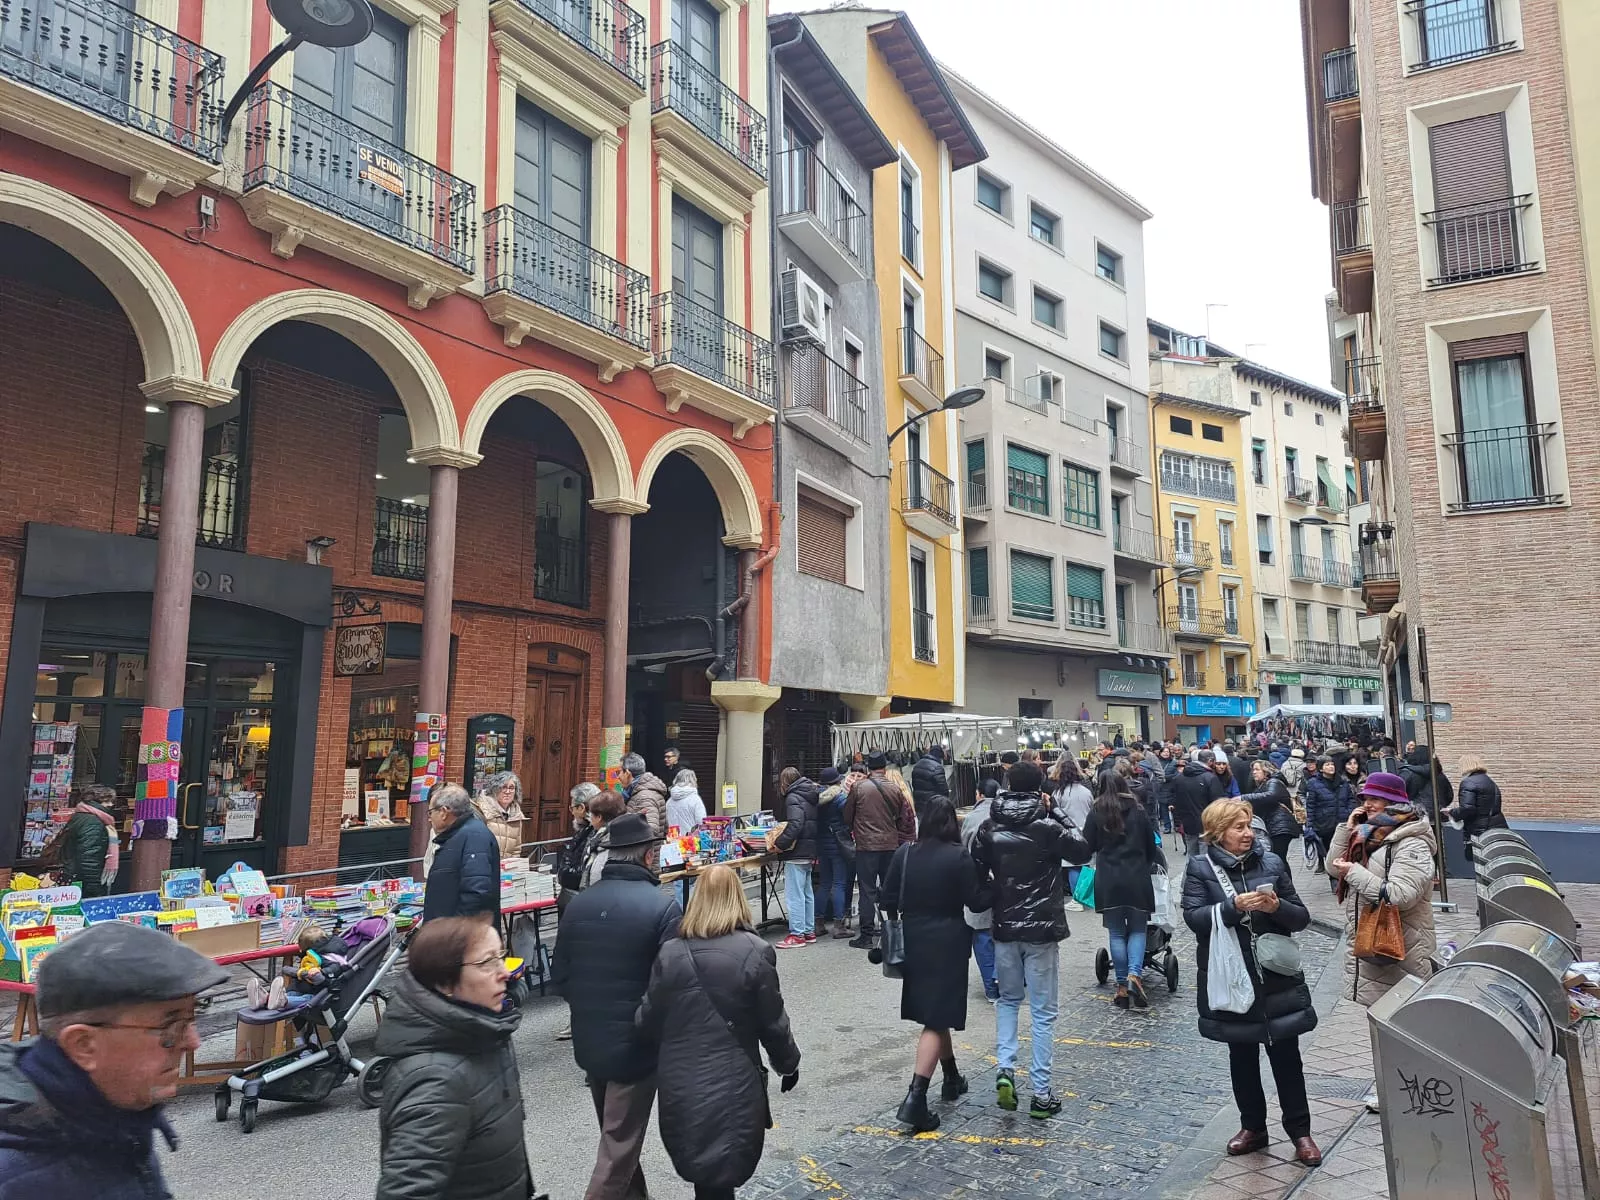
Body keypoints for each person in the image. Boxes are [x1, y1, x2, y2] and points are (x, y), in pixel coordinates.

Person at [0, 921, 227, 1198]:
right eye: (170, 1025)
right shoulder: (17, 1178)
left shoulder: (111, 1112)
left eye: (194, 1015)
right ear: (83, 1045)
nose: (193, 1042)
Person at [636, 865, 799, 1200]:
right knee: (720, 1172)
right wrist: (788, 1062)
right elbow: (773, 1021)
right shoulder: (754, 950)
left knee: (707, 1176)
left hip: (682, 1080)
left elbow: (647, 1020)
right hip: (731, 1080)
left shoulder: (670, 953)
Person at [1181, 799, 1321, 1167]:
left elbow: (1301, 917)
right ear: (1218, 833)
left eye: (1249, 826)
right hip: (1231, 975)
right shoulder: (1200, 867)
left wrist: (1276, 908)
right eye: (1239, 827)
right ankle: (1253, 1128)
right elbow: (1194, 918)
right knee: (1241, 1056)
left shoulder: (1271, 862)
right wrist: (1232, 907)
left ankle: (1300, 1131)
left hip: (1275, 976)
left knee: (1287, 1057)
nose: (1248, 833)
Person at [553, 812, 682, 1200]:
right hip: (636, 1043)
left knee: (617, 1139)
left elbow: (560, 976)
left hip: (591, 1037)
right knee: (618, 1146)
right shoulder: (662, 908)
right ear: (646, 857)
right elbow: (671, 983)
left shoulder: (579, 904)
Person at [374, 915, 533, 1200]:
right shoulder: (436, 1081)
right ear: (444, 982)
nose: (504, 972)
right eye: (486, 963)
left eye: (501, 956)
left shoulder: (484, 1033)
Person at [973, 761, 1092, 1120]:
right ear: (1042, 787)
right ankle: (1041, 1092)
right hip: (1041, 928)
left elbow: (976, 867)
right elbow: (1083, 851)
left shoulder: (989, 824)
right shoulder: (1047, 826)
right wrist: (1058, 813)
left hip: (1006, 925)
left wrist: (997, 893)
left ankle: (1005, 1068)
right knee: (1042, 1012)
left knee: (1008, 1001)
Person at [880, 797, 990, 1132]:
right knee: (935, 1018)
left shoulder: (906, 853)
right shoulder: (959, 857)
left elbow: (886, 899)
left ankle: (952, 1077)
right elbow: (977, 900)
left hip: (913, 941)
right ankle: (915, 1097)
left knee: (934, 1014)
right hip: (948, 941)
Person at [1327, 772, 1439, 1008]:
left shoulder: (1412, 842)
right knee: (1381, 1024)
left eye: (1375, 798)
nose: (1367, 804)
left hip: (1401, 953)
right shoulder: (1368, 833)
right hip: (1372, 948)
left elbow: (1401, 895)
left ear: (1393, 803)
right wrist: (1347, 831)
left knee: (1404, 1022)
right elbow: (1334, 868)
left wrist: (1354, 873)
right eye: (1365, 798)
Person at [1081, 770, 1162, 1010]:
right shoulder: (1137, 810)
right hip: (1137, 877)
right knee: (1138, 929)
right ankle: (1135, 975)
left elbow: (1088, 845)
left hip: (1108, 879)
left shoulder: (1097, 812)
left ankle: (1121, 985)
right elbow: (1151, 845)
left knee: (1116, 933)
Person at [842, 752, 915, 950]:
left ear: (868, 767)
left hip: (866, 846)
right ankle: (889, 929)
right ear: (884, 766)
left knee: (867, 890)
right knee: (889, 887)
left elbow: (847, 816)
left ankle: (866, 935)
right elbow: (901, 818)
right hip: (890, 844)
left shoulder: (858, 787)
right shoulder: (895, 788)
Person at [423, 783, 502, 923]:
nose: (429, 818)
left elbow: (477, 892)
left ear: (443, 812)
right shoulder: (458, 835)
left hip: (462, 936)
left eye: (430, 812)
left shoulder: (474, 836)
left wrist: (455, 930)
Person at [772, 767, 820, 949]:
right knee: (806, 892)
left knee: (795, 894)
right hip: (809, 849)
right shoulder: (810, 794)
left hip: (797, 851)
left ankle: (797, 934)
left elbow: (795, 824)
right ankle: (808, 930)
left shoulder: (793, 797)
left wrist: (780, 843)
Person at [43, 783, 118, 897]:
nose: (111, 804)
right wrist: (95, 889)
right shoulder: (94, 822)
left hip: (73, 875)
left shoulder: (81, 816)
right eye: (107, 801)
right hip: (85, 882)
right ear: (96, 801)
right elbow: (89, 859)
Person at [962, 779, 1000, 1002]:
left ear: (978, 795)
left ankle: (992, 988)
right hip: (1009, 883)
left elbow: (964, 848)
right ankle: (1007, 979)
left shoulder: (972, 818)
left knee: (983, 934)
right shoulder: (1009, 814)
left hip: (979, 882)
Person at [815, 767, 856, 939]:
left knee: (824, 883)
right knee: (839, 883)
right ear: (837, 781)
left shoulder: (816, 798)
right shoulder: (840, 798)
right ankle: (839, 925)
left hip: (822, 844)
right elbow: (849, 817)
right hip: (839, 845)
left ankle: (818, 923)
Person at [1447, 753, 1508, 868]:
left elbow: (1467, 808)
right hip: (1497, 826)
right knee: (1494, 864)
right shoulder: (1490, 781)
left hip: (1480, 830)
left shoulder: (1468, 782)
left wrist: (1452, 812)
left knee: (1482, 865)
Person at [1049, 757, 1094, 912]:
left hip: (1068, 833)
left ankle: (1077, 900)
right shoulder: (1086, 791)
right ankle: (1086, 897)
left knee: (1072, 866)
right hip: (1086, 832)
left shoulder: (1058, 794)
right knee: (1085, 866)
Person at [1240, 760, 1299, 863]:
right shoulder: (1263, 785)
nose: (1254, 772)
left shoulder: (1274, 782)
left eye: (1257, 769)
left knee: (1279, 858)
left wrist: (1242, 798)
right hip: (1276, 825)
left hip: (1280, 826)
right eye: (1253, 770)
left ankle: (1285, 879)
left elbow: (1271, 796)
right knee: (1279, 858)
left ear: (1266, 771)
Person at [1302, 758, 1352, 875]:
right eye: (1327, 765)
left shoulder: (1342, 782)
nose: (1331, 767)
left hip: (1341, 821)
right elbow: (1311, 805)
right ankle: (1333, 878)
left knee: (1342, 852)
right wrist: (1310, 824)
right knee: (1329, 852)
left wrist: (1348, 811)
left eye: (1332, 764)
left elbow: (1350, 799)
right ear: (1320, 768)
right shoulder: (1313, 783)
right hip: (1324, 823)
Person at [620, 753, 669, 868]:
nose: (618, 777)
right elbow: (665, 827)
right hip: (644, 861)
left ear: (627, 773)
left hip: (643, 864)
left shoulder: (644, 796)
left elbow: (651, 829)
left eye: (619, 772)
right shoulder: (638, 792)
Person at [1172, 751, 1225, 857]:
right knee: (1206, 858)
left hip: (1188, 823)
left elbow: (1176, 801)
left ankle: (1190, 873)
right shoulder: (1210, 778)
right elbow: (1218, 804)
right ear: (1210, 761)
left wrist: (1178, 821)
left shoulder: (1179, 778)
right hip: (1207, 825)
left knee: (1191, 855)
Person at [558, 783, 602, 909]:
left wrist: (564, 873)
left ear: (581, 808)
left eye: (572, 808)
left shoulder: (592, 834)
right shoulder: (588, 831)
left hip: (582, 900)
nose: (572, 812)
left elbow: (581, 872)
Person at [580, 789, 629, 890]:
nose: (590, 818)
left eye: (591, 814)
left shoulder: (605, 840)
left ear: (599, 817)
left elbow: (596, 876)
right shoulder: (625, 832)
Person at [473, 770, 527, 860]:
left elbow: (516, 849)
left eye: (512, 788)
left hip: (507, 869)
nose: (507, 791)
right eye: (503, 787)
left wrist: (511, 867)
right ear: (495, 789)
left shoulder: (516, 815)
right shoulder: (482, 810)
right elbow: (475, 844)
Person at [1399, 744, 1451, 816]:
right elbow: (1449, 796)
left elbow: (1399, 795)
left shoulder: (1408, 773)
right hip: (1439, 815)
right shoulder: (1439, 774)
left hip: (1415, 815)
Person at [910, 744, 952, 821]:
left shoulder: (917, 765)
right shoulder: (937, 767)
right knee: (935, 830)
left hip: (919, 805)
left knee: (923, 829)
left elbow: (914, 785)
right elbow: (944, 790)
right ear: (939, 756)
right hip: (934, 806)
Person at [666, 769, 706, 835]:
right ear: (693, 780)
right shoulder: (695, 799)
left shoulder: (669, 801)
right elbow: (701, 822)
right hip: (690, 842)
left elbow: (666, 823)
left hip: (673, 840)